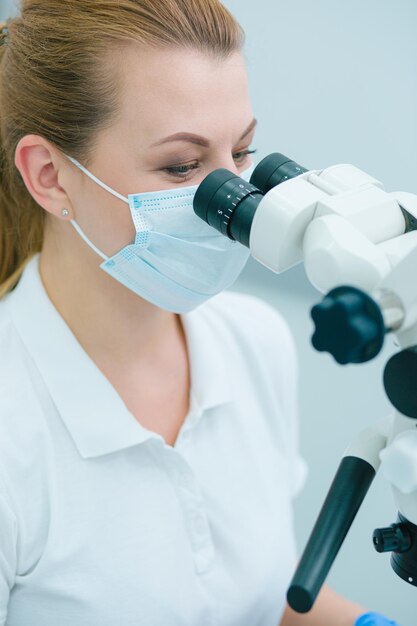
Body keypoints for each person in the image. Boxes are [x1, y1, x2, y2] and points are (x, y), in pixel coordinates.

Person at [0, 1, 401, 625]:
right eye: (182, 166)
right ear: (51, 175)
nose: (233, 199)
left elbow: (260, 601)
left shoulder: (254, 341)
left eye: (242, 153)